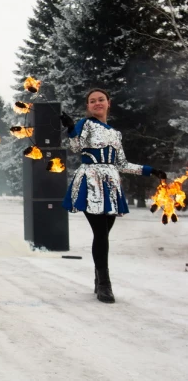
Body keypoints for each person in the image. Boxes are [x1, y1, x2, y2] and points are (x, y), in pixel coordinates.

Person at [60, 88, 166, 303]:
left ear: (109, 103)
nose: (97, 103)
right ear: (88, 106)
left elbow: (122, 164)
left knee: (103, 235)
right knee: (100, 233)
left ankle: (98, 277)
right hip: (90, 182)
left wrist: (149, 170)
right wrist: (71, 129)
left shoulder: (116, 134)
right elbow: (76, 147)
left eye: (101, 100)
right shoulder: (85, 124)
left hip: (110, 184)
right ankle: (104, 284)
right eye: (92, 101)